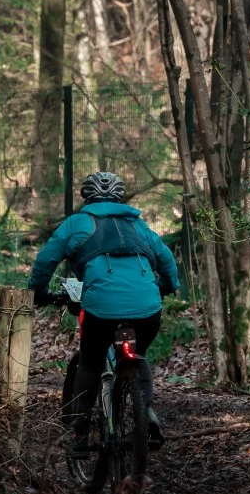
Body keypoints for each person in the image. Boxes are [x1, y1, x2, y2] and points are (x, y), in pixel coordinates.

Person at [30, 171, 180, 457]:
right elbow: (167, 261)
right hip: (147, 309)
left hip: (101, 308)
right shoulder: (139, 225)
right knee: (139, 355)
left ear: (86, 197)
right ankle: (146, 412)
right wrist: (165, 287)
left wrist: (38, 292)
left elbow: (45, 260)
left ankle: (80, 433)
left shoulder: (77, 223)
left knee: (90, 364)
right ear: (120, 197)